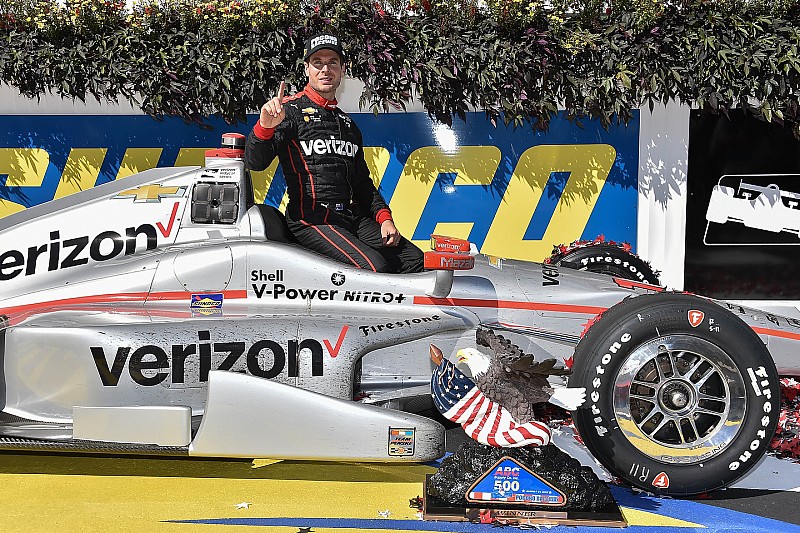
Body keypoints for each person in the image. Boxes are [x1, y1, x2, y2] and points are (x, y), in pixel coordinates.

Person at [245, 32, 424, 274]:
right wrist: (264, 127)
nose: (325, 69)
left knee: (415, 260)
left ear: (342, 70)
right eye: (317, 63)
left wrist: (385, 218)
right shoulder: (290, 111)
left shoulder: (348, 124)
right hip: (311, 219)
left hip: (350, 217)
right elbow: (256, 162)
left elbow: (362, 184)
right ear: (307, 69)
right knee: (374, 267)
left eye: (332, 63)